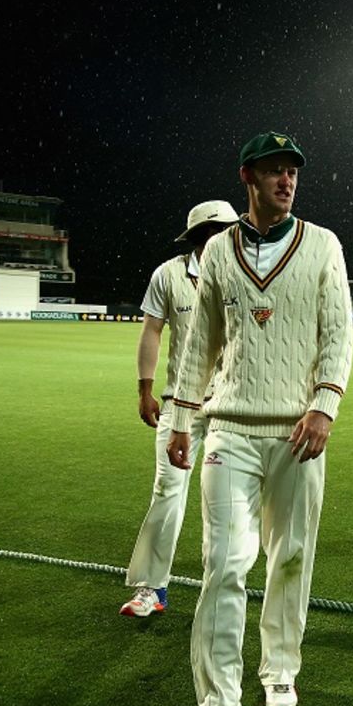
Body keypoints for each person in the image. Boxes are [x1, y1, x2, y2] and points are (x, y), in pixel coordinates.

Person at [166, 131, 353, 706]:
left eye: (292, 172)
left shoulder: (323, 244)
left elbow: (338, 334)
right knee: (224, 564)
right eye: (273, 171)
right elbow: (200, 343)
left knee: (292, 558)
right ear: (247, 177)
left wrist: (324, 404)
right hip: (232, 429)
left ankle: (279, 668)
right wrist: (181, 418)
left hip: (299, 431)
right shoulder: (218, 251)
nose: (286, 181)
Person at [119, 200, 238, 618]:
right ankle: (152, 589)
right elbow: (152, 330)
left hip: (232, 407)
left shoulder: (243, 273)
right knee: (168, 491)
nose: (223, 239)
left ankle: (223, 590)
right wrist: (144, 389)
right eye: (215, 233)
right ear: (200, 237)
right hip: (177, 407)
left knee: (225, 500)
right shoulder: (168, 274)